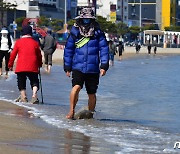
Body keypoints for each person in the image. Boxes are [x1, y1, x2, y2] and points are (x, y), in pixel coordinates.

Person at [63, 7, 109, 119]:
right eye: (85, 19)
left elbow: (104, 49)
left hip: (93, 68)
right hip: (77, 66)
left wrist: (104, 65)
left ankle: (90, 115)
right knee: (76, 87)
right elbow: (68, 49)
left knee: (91, 93)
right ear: (81, 19)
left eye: (88, 19)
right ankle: (71, 111)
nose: (86, 21)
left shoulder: (98, 32)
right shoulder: (75, 32)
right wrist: (67, 66)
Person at [8, 25, 42, 104]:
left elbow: (13, 55)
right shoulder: (35, 43)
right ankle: (34, 95)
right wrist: (40, 64)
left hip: (21, 66)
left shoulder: (18, 42)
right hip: (33, 65)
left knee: (21, 81)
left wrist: (10, 65)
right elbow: (39, 55)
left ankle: (24, 97)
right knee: (34, 81)